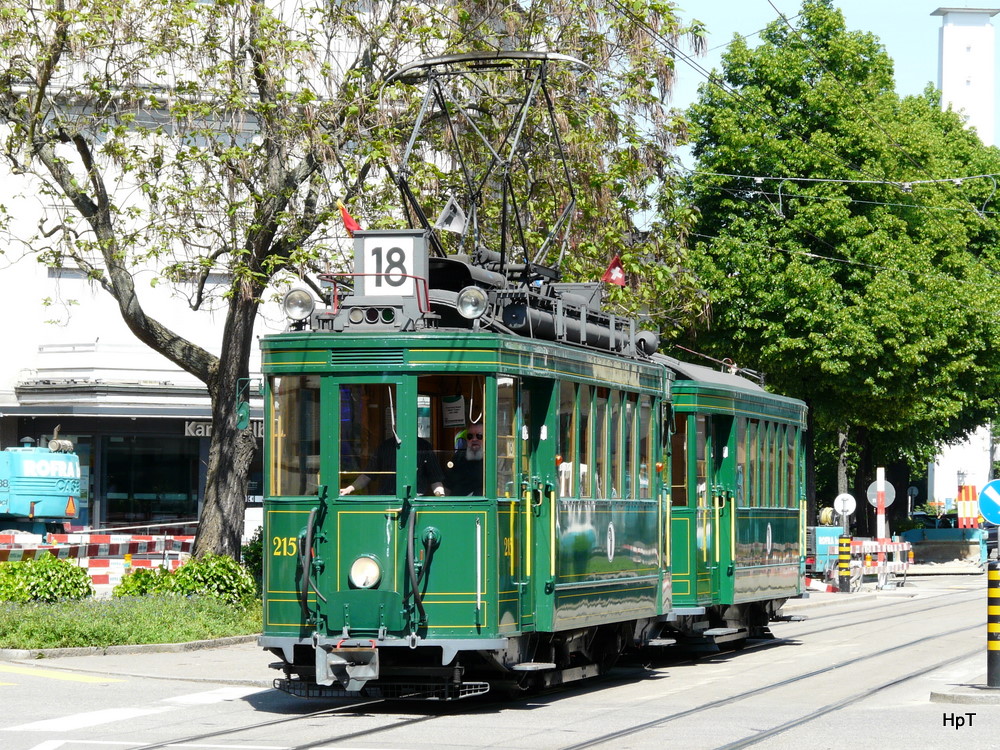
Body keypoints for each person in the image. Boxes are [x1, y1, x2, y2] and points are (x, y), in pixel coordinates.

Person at [341, 435, 445, 496]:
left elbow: (435, 479)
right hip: (387, 502)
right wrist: (349, 489)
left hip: (416, 502)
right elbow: (367, 475)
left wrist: (440, 495)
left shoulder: (424, 446)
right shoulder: (385, 446)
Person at [445, 421, 485, 496]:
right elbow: (447, 485)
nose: (474, 439)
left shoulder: (492, 460)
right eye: (470, 436)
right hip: (457, 504)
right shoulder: (458, 457)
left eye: (479, 436)